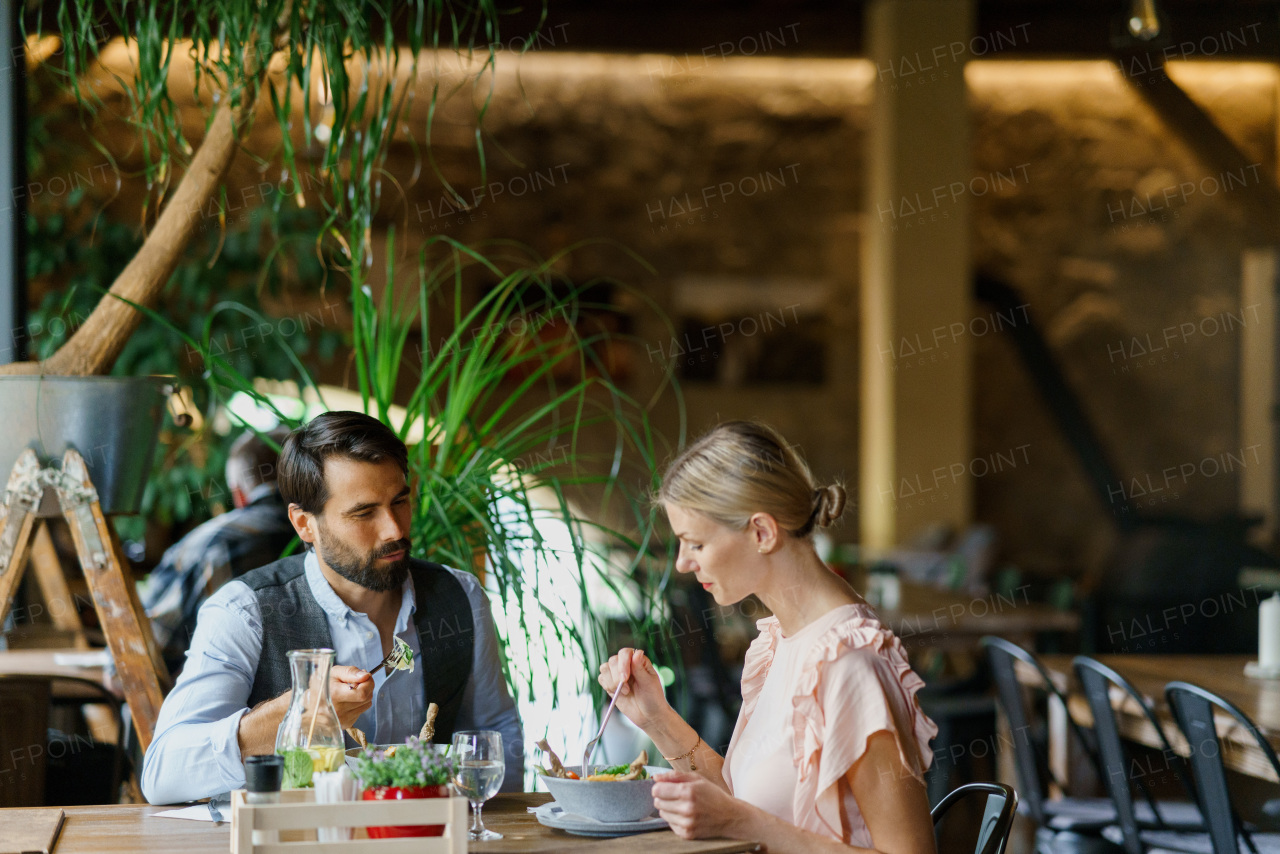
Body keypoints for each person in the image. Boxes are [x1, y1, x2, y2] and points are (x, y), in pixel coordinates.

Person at [141, 411, 523, 803]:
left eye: (400, 501)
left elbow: (495, 732)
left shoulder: (460, 597)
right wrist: (296, 713)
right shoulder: (244, 612)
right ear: (305, 524)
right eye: (364, 513)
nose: (394, 529)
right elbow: (163, 774)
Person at [599, 421, 938, 854]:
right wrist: (655, 718)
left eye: (695, 544)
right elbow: (742, 801)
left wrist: (744, 823)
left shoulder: (850, 663)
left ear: (761, 532)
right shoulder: (781, 640)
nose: (682, 563)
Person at [139, 427, 297, 676]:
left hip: (218, 701)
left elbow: (145, 652)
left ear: (238, 493)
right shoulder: (334, 532)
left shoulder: (208, 542)